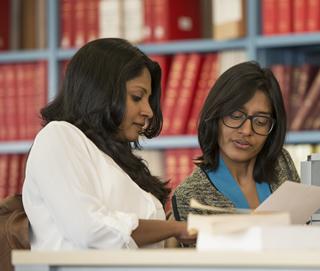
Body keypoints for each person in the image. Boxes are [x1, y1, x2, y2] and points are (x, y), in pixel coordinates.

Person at [22, 38, 196, 250]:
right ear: (100, 92)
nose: (148, 111)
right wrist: (175, 229)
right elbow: (89, 230)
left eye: (148, 99)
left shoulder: (117, 157)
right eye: (137, 97)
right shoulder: (58, 137)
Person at [173, 61, 300, 222]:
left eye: (260, 121)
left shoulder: (281, 163)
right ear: (215, 116)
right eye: (235, 116)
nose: (247, 131)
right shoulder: (190, 196)